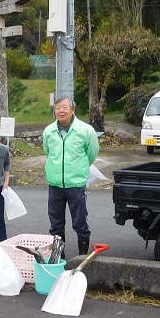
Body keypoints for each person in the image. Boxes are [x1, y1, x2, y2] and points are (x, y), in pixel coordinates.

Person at [42, 97, 100, 257]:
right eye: (58, 107)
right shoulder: (48, 131)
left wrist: (78, 169)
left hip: (76, 184)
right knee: (56, 225)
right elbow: (47, 151)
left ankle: (82, 257)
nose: (61, 110)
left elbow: (92, 153)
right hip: (55, 185)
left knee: (80, 222)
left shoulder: (85, 130)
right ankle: (59, 258)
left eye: (65, 107)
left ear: (73, 110)